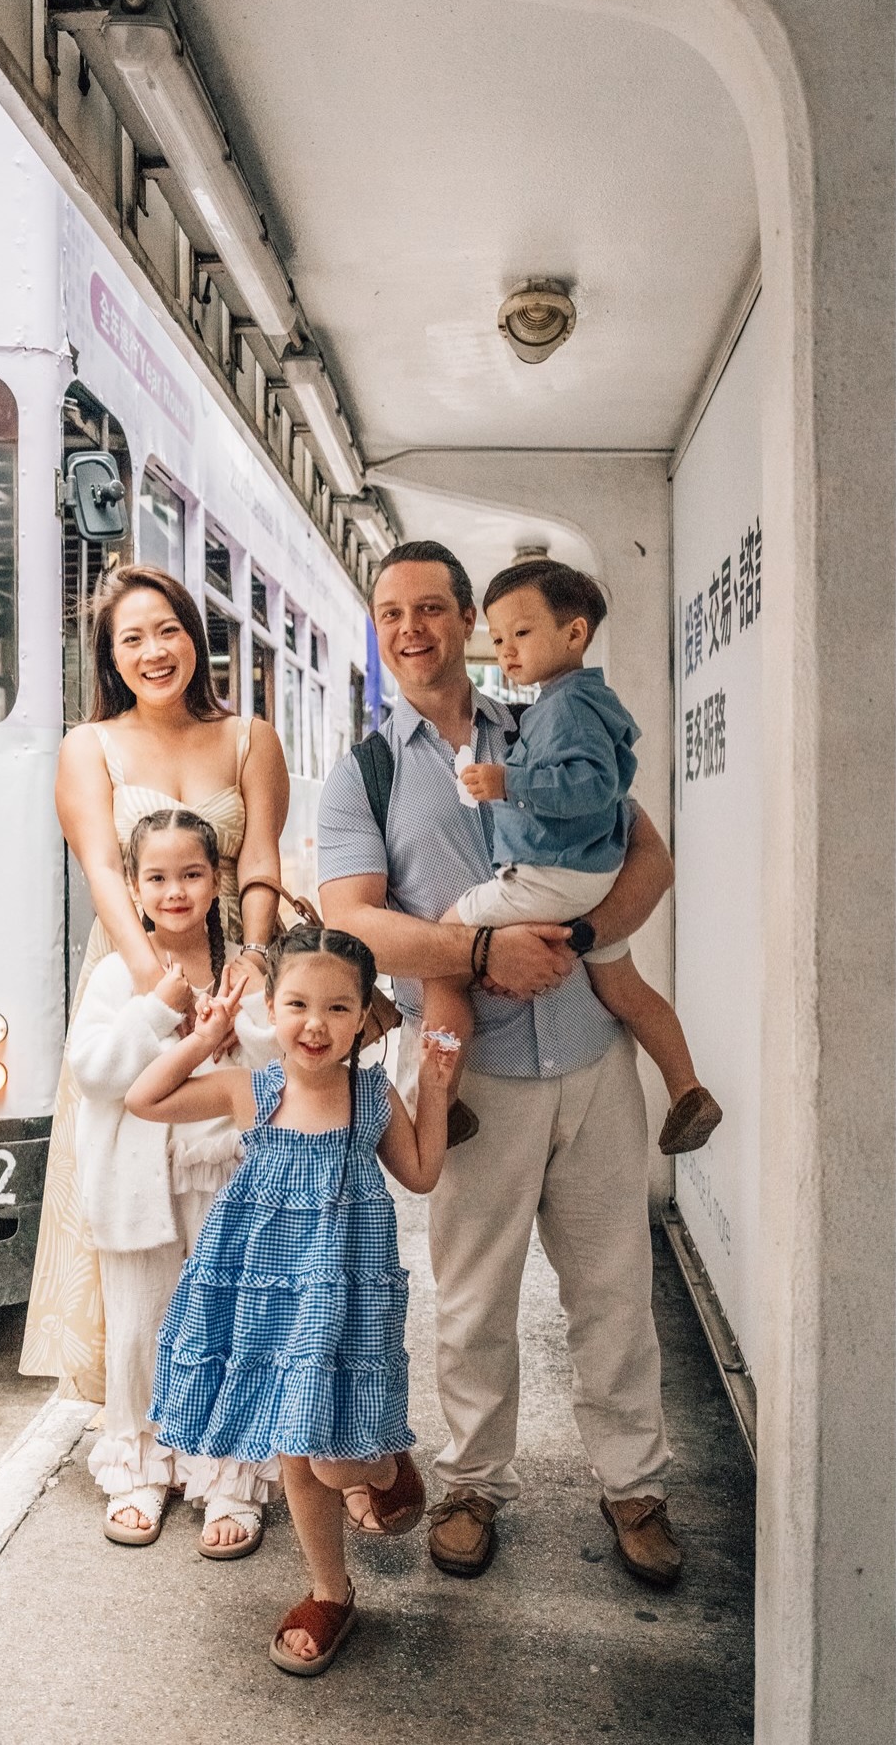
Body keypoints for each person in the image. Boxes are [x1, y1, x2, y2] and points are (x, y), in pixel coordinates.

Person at [317, 540, 685, 1590]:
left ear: (469, 621)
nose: (411, 628)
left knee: (614, 1285)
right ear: (380, 630)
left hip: (588, 1052)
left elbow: (648, 854)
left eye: (431, 607)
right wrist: (479, 954)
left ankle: (636, 1486)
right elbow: (353, 920)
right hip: (467, 1079)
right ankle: (475, 1481)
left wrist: (570, 944)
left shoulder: (551, 718)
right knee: (475, 1296)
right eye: (392, 612)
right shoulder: (369, 770)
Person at [128, 927, 458, 1676]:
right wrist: (205, 1035)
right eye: (297, 1004)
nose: (315, 1024)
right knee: (295, 1452)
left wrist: (436, 1090)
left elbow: (422, 1173)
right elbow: (145, 1099)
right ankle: (328, 1590)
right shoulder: (252, 1088)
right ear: (270, 1008)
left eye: (337, 1008)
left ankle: (379, 1469)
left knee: (334, 1466)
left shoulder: (370, 1096)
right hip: (264, 1298)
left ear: (363, 1017)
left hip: (345, 1300)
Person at [20, 566, 289, 1405]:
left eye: (165, 630)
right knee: (130, 1175)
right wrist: (155, 984)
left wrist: (251, 961)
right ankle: (139, 1413)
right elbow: (102, 867)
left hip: (239, 973)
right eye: (130, 638)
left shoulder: (250, 737)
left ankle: (234, 1416)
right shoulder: (87, 746)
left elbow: (260, 861)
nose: (151, 651)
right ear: (109, 654)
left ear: (192, 636)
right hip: (137, 976)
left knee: (235, 1180)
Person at [428, 558, 721, 1156]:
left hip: (556, 873)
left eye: (523, 633)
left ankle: (444, 1103)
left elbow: (588, 788)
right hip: (592, 876)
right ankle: (688, 1090)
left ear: (575, 633)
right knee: (624, 989)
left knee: (444, 943)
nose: (507, 651)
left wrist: (510, 783)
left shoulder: (564, 708)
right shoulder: (583, 702)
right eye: (500, 638)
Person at [69, 809, 279, 1555]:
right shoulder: (116, 975)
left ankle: (230, 1476)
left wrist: (230, 1026)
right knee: (140, 1328)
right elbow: (93, 1073)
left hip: (229, 1175)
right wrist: (165, 1010)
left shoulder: (246, 972)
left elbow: (275, 1064)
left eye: (191, 873)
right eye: (155, 877)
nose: (175, 891)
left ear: (215, 878)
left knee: (230, 1325)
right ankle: (142, 1467)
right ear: (132, 887)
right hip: (138, 1180)